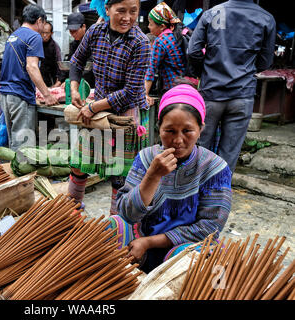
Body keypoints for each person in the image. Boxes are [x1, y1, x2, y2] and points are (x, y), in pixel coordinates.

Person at [109, 84, 232, 273]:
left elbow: (209, 227)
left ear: (201, 129)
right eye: (170, 131)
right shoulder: (145, 158)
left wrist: (149, 242)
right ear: (159, 129)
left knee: (206, 261)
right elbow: (126, 213)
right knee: (110, 227)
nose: (178, 140)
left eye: (187, 131)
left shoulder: (215, 168)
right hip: (137, 242)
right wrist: (152, 176)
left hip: (185, 247)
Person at [68, 0, 151, 214]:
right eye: (121, 11)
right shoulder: (96, 31)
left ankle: (116, 227)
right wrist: (75, 89)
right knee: (79, 163)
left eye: (133, 11)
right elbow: (77, 61)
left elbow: (130, 91)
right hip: (98, 106)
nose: (127, 18)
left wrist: (93, 107)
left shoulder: (141, 43)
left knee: (120, 175)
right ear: (107, 9)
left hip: (125, 111)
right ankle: (70, 212)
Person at [188, 0, 276, 173]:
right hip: (242, 95)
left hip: (211, 92)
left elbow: (193, 51)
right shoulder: (266, 18)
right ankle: (218, 195)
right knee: (229, 153)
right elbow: (265, 61)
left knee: (199, 147)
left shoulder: (212, 13)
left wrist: (204, 73)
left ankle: (191, 190)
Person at [0, 4, 59, 151]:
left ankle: (13, 173)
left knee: (14, 142)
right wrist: (47, 95)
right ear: (39, 20)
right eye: (44, 23)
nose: (43, 27)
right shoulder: (34, 36)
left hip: (6, 95)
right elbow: (31, 67)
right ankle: (21, 174)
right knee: (24, 146)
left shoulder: (14, 35)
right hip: (20, 96)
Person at [144, 2, 186, 107]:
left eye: (151, 24)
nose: (148, 27)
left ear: (162, 26)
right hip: (186, 87)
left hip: (172, 89)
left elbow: (151, 69)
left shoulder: (161, 41)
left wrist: (145, 94)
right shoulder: (175, 36)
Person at [56, 12, 95, 88]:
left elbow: (89, 66)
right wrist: (60, 81)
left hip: (90, 83)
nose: (73, 34)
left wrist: (72, 80)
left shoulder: (92, 42)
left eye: (75, 31)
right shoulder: (74, 44)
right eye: (71, 31)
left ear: (83, 27)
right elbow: (70, 63)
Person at [39, 22, 63, 88]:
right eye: (42, 33)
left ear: (51, 33)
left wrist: (57, 83)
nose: (44, 35)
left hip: (51, 80)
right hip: (39, 80)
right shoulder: (37, 45)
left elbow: (59, 65)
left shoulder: (55, 47)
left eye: (47, 33)